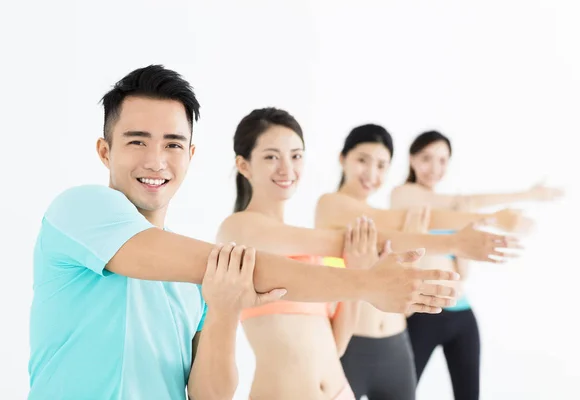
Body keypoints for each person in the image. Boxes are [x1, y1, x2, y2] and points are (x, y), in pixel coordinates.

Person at [28, 65, 464, 400]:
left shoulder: (201, 280)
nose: (157, 160)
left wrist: (222, 310)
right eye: (137, 141)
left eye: (173, 144)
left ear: (191, 154)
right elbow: (239, 263)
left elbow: (209, 394)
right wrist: (364, 282)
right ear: (105, 151)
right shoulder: (81, 209)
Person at [216, 109, 524, 399]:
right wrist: (454, 240)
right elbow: (354, 239)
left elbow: (335, 344)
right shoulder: (239, 230)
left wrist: (361, 271)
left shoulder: (308, 247)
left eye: (296, 156)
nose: (287, 168)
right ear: (243, 165)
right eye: (271, 156)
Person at [314, 124, 531, 400]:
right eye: (362, 160)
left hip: (397, 345)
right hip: (352, 344)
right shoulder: (331, 205)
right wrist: (489, 219)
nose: (371, 173)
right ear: (342, 158)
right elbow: (425, 219)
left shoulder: (384, 217)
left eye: (382, 166)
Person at [390, 130, 563, 400]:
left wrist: (465, 243)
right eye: (426, 158)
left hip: (462, 315)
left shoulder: (454, 210)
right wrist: (523, 195)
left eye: (442, 160)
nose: (434, 168)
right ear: (411, 159)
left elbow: (463, 273)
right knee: (401, 393)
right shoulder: (403, 197)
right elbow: (463, 202)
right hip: (423, 314)